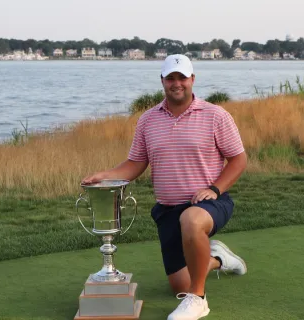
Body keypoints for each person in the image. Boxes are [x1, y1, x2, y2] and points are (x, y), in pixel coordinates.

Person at [81, 54, 248, 320]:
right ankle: (219, 259)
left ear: (192, 79)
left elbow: (239, 159)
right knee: (180, 284)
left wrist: (215, 189)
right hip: (168, 210)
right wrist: (105, 175)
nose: (176, 83)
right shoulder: (148, 120)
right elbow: (136, 162)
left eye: (182, 77)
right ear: (162, 81)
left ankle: (198, 300)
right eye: (171, 78)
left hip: (208, 203)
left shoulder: (215, 115)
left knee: (191, 221)